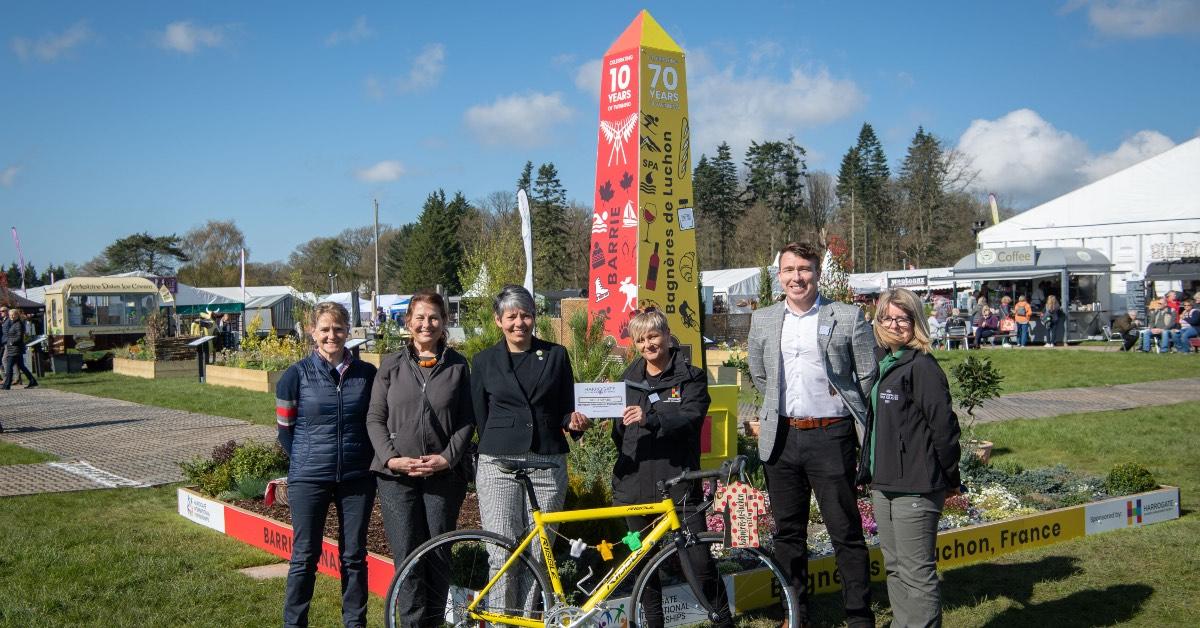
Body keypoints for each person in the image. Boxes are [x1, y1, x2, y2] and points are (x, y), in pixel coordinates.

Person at [747, 242, 876, 627]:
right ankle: (795, 614)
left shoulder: (848, 316)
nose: (796, 277)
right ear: (779, 275)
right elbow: (760, 374)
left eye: (803, 269)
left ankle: (858, 616)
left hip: (831, 436)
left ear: (817, 273)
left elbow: (866, 374)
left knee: (845, 531)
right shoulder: (764, 320)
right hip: (782, 438)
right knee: (788, 535)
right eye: (789, 270)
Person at [470, 285, 590, 606]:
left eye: (526, 315)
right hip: (498, 465)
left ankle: (527, 621)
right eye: (511, 316)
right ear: (498, 320)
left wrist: (574, 422)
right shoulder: (483, 361)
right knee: (502, 551)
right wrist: (499, 441)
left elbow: (567, 407)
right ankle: (500, 621)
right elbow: (480, 415)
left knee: (540, 554)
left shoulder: (556, 356)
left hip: (547, 463)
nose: (519, 323)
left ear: (535, 317)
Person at [613, 310, 733, 628]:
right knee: (643, 565)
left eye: (653, 336)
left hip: (679, 484)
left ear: (667, 335)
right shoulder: (627, 380)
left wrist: (650, 419)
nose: (648, 344)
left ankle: (724, 622)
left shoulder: (691, 377)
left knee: (699, 562)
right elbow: (618, 432)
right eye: (641, 339)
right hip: (635, 488)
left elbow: (690, 420)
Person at [366, 290, 474, 627]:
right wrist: (390, 459)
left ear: (444, 323)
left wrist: (447, 458)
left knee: (439, 556)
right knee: (408, 558)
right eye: (420, 318)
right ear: (408, 322)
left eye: (434, 318)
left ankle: (433, 623)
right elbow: (375, 418)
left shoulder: (458, 366)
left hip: (442, 478)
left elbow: (468, 420)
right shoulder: (391, 365)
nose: (426, 324)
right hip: (397, 478)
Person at [861, 288, 962, 628]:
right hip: (885, 482)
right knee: (894, 567)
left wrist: (948, 476)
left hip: (916, 486)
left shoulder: (922, 367)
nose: (894, 324)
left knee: (916, 573)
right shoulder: (885, 361)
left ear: (915, 321)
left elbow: (945, 429)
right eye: (887, 317)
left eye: (902, 318)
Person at [277, 302, 378, 628]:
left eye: (338, 329)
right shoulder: (294, 376)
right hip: (309, 478)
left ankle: (354, 623)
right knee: (305, 556)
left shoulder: (367, 375)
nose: (332, 335)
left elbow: (376, 421)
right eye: (325, 329)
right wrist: (306, 461)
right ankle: (294, 623)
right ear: (312, 332)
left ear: (348, 331)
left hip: (356, 477)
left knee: (354, 557)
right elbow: (285, 431)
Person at [3, 309, 38, 391]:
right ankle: (33, 381)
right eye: (10, 315)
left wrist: (11, 342)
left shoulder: (18, 324)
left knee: (9, 367)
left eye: (13, 315)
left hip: (15, 349)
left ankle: (7, 385)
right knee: (22, 366)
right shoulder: (14, 323)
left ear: (17, 315)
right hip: (13, 349)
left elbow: (19, 337)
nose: (11, 316)